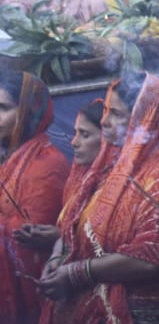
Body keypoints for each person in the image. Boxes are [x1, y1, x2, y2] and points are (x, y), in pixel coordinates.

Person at [37, 73, 159, 324]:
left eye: (117, 115)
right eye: (107, 112)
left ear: (145, 120)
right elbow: (74, 223)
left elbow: (151, 258)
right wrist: (55, 260)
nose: (105, 122)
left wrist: (77, 273)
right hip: (96, 323)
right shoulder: (110, 165)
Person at [0, 72, 70, 324]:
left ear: (27, 112)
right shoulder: (10, 155)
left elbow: (26, 237)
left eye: (3, 108)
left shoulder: (47, 164)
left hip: (35, 299)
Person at [14, 100, 104, 256]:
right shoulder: (80, 181)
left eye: (85, 135)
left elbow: (110, 245)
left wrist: (60, 236)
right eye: (76, 133)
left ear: (108, 140)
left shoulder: (120, 186)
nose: (74, 142)